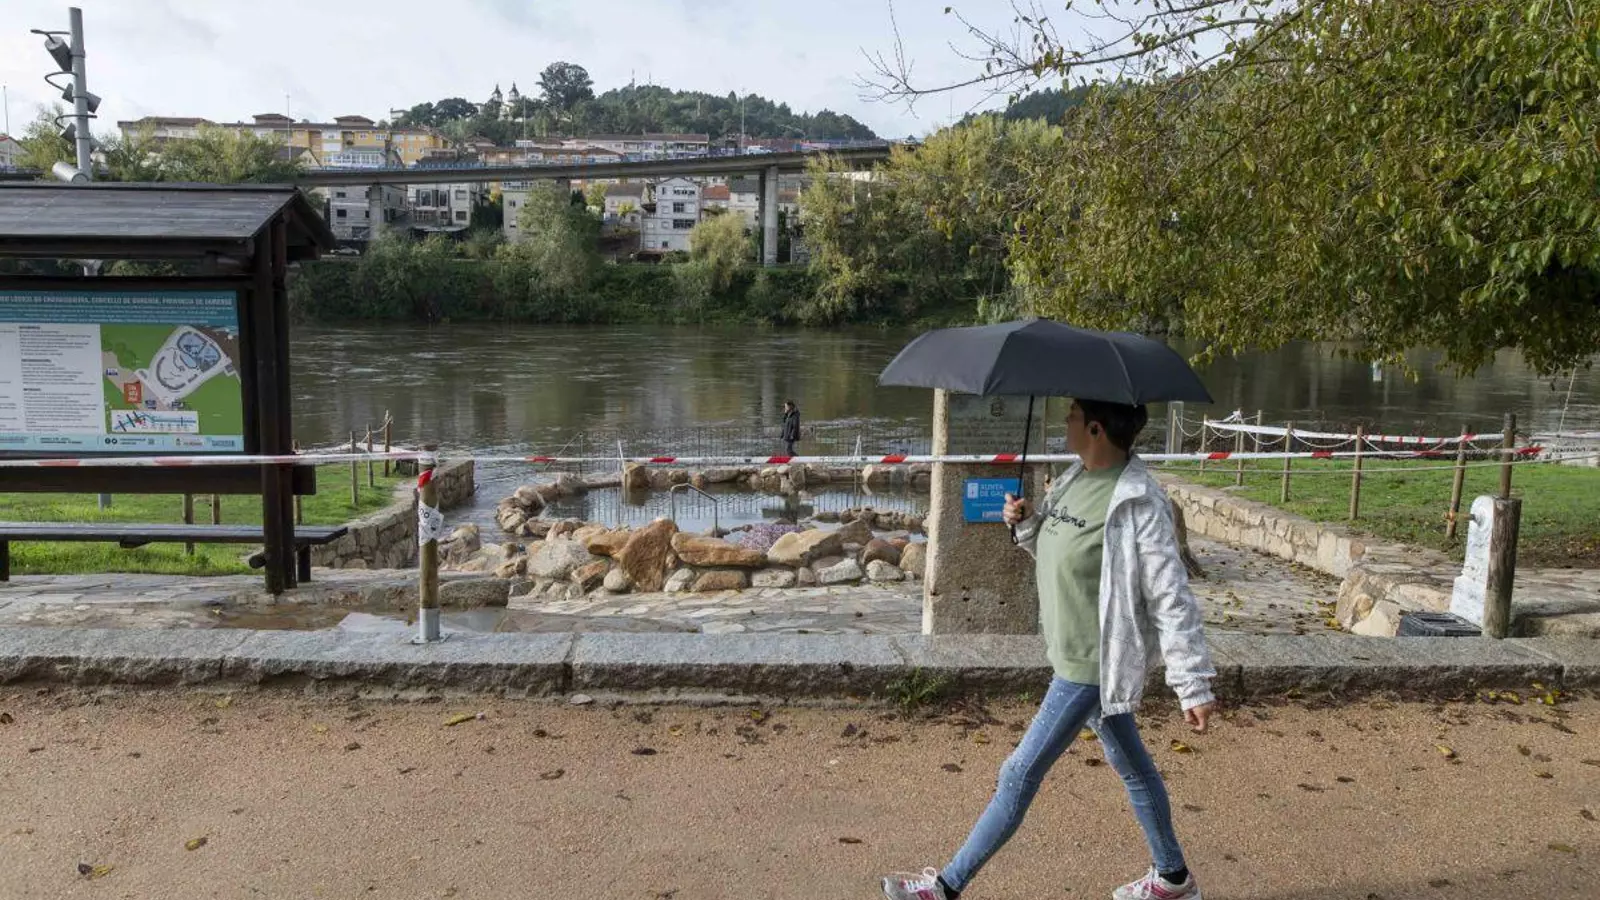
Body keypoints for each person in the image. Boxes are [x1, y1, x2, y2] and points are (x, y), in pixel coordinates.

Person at [881, 398, 1217, 900]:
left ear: (1096, 429)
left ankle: (945, 888)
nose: (1066, 423)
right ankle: (1173, 879)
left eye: (1074, 416)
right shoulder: (1075, 479)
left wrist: (1192, 682)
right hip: (1067, 652)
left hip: (1091, 664)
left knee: (1018, 773)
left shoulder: (1138, 502)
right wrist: (1025, 524)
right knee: (1134, 767)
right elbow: (1057, 552)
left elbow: (1170, 595)